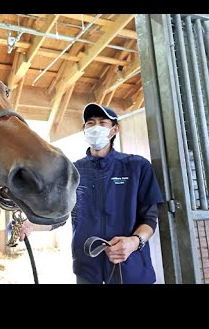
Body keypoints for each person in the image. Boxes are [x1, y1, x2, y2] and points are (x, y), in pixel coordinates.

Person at [19, 103, 164, 284]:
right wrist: (33, 224)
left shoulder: (137, 167)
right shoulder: (74, 171)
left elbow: (149, 219)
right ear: (84, 130)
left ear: (114, 130)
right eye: (90, 123)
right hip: (87, 270)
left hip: (130, 268)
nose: (95, 127)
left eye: (102, 123)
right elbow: (61, 215)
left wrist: (135, 242)